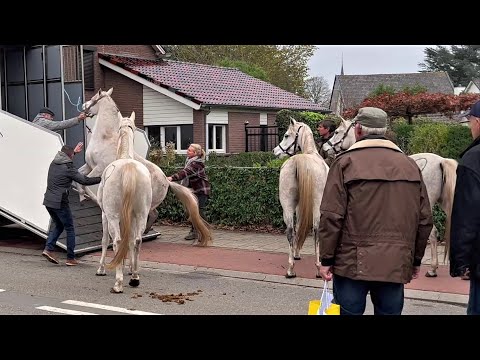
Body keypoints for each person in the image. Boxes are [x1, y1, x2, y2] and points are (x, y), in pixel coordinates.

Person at [318, 107, 433, 315]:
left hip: (351, 263)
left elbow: (331, 216)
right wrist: (415, 259)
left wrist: (326, 259)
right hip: (395, 261)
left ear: (358, 130)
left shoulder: (345, 163)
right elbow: (424, 220)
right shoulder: (409, 166)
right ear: (384, 130)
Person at [42, 143, 101, 266]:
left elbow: (66, 156)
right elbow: (84, 180)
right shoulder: (68, 167)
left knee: (59, 225)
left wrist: (73, 152)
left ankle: (48, 249)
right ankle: (70, 258)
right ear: (70, 157)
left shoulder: (54, 162)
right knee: (69, 228)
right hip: (60, 202)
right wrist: (102, 177)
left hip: (48, 201)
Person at [450, 99, 480, 315]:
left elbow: (467, 215)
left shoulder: (474, 159)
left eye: (470, 121)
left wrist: (461, 261)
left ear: (477, 122)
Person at [167, 143, 211, 241]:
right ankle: (194, 231)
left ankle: (204, 232)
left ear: (195, 153)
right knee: (190, 212)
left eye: (190, 150)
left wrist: (171, 178)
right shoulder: (189, 161)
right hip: (192, 191)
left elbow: (185, 173)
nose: (187, 151)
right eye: (188, 149)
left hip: (200, 191)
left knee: (199, 212)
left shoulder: (197, 164)